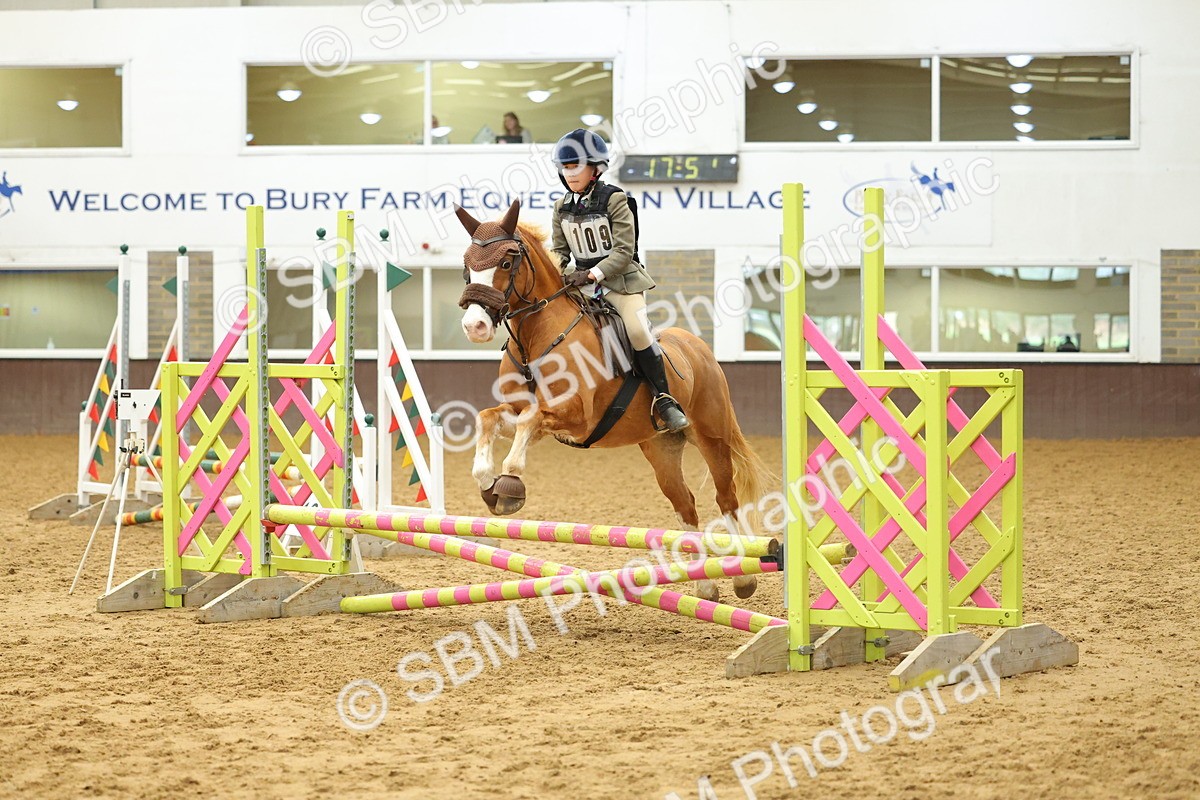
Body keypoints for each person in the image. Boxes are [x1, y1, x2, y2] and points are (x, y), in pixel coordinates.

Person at [549, 128, 688, 432]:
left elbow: (624, 251)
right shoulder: (561, 207)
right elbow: (558, 251)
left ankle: (663, 399)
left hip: (621, 283)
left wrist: (592, 273)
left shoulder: (614, 199)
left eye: (576, 167)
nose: (570, 174)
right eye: (565, 168)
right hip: (581, 287)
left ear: (595, 169)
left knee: (638, 329)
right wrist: (560, 274)